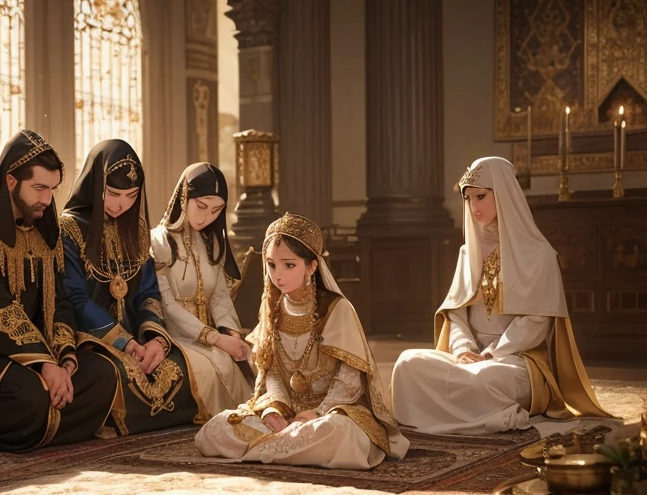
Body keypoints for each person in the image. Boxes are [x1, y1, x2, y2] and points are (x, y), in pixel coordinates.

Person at [0, 129, 117, 453]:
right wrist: (45, 365)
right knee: (30, 398)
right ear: (11, 181)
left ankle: (44, 425)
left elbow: (58, 302)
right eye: (39, 188)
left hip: (43, 354)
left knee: (104, 374)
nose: (47, 198)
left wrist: (65, 359)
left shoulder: (46, 236)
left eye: (52, 189)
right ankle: (51, 421)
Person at [391, 157, 610, 434]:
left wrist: (491, 354)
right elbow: (456, 313)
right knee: (406, 364)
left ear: (504, 193)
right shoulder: (466, 254)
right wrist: (463, 350)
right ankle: (470, 415)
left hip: (516, 361)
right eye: (468, 198)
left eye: (481, 196)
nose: (474, 207)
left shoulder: (540, 255)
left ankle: (462, 414)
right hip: (470, 359)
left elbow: (537, 323)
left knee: (485, 381)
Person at [195, 213, 409, 468]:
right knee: (215, 429)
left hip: (332, 413)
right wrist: (274, 409)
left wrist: (316, 413)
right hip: (287, 415)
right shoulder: (272, 309)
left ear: (312, 266)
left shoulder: (336, 309)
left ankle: (268, 449)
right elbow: (271, 373)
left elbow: (350, 381)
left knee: (339, 433)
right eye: (271, 265)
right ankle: (286, 447)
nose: (278, 275)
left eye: (289, 265)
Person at [60, 140, 206, 435]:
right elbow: (75, 298)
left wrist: (154, 339)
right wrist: (124, 342)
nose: (121, 204)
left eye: (131, 195)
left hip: (137, 339)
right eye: (113, 193)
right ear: (94, 185)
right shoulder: (69, 229)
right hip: (91, 336)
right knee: (118, 372)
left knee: (180, 363)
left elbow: (148, 294)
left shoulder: (136, 229)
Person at [150, 162, 252, 415]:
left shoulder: (213, 242)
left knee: (250, 361)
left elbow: (219, 296)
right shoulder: (158, 241)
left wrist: (232, 334)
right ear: (184, 198)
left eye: (217, 210)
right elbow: (167, 305)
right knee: (217, 364)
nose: (206, 217)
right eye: (202, 206)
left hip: (210, 334)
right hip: (174, 334)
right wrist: (215, 339)